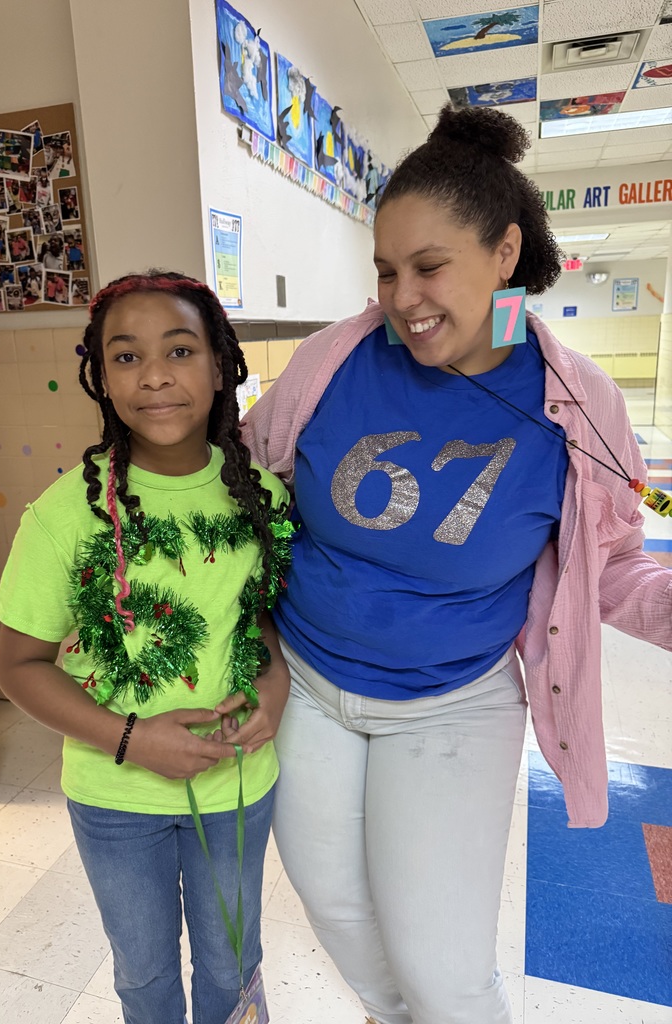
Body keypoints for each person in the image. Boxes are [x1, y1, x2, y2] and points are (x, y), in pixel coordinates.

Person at [240, 104, 672, 1024]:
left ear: (504, 253)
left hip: (453, 698)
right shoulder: (335, 359)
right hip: (308, 685)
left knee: (443, 966)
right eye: (387, 271)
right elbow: (242, 485)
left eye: (429, 267)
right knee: (340, 909)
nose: (403, 297)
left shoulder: (576, 403)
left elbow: (616, 564)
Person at [0, 270, 294, 1024]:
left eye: (181, 350)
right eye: (126, 357)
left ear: (221, 366)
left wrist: (278, 682)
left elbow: (258, 620)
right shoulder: (64, 515)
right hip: (114, 797)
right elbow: (19, 665)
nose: (155, 376)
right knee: (145, 975)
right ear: (100, 377)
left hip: (235, 787)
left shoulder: (261, 496)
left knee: (232, 962)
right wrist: (131, 740)